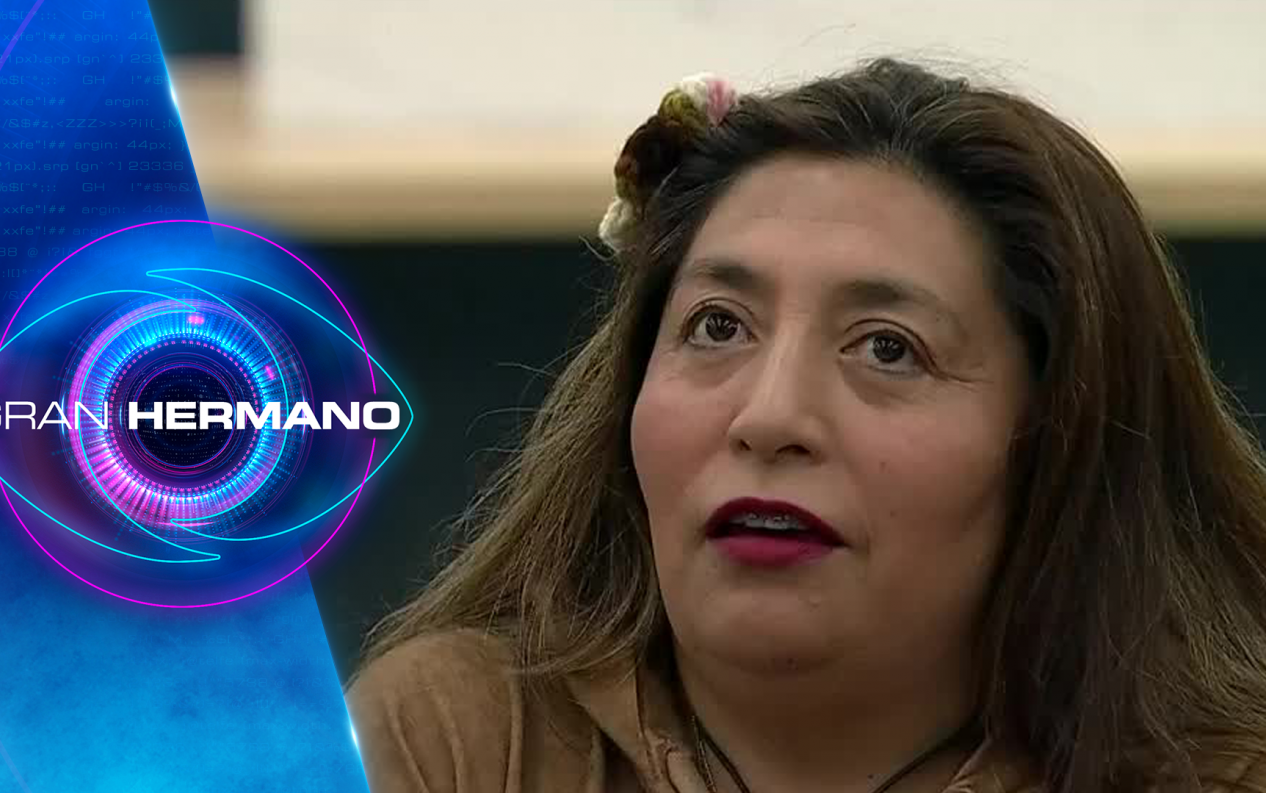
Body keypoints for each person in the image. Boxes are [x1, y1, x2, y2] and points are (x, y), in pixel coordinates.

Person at [345, 58, 1266, 793]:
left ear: (1058, 435)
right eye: (718, 327)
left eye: (888, 348)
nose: (770, 416)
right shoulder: (455, 739)